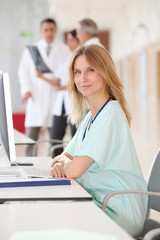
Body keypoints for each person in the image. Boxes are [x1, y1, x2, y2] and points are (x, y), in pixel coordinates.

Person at [50, 44, 148, 237]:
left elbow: (74, 170)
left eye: (90, 70)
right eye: (77, 72)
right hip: (96, 200)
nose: (82, 78)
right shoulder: (91, 116)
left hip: (119, 210)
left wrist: (67, 165)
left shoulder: (110, 115)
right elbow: (63, 157)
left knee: (55, 224)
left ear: (105, 72)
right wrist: (65, 163)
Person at [18, 18, 70, 156]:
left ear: (56, 30)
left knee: (55, 139)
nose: (49, 33)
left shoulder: (64, 50)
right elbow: (23, 71)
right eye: (46, 30)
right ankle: (30, 167)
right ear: (41, 31)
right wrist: (27, 90)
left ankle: (53, 167)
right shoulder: (32, 49)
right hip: (36, 98)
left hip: (55, 99)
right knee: (31, 138)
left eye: (52, 29)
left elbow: (64, 74)